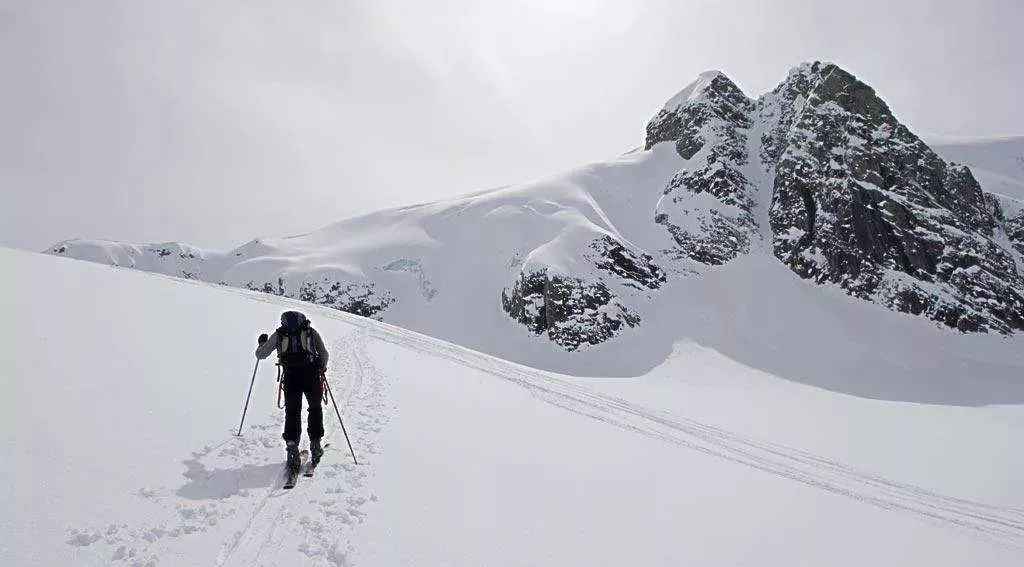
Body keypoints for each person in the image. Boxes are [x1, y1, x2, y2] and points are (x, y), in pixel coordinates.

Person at [256, 310, 329, 472]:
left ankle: (292, 449)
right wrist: (321, 366)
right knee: (315, 408)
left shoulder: (280, 334)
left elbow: (261, 355)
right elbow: (324, 354)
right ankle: (316, 445)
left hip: (290, 378)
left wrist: (261, 343)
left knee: (292, 412)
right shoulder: (310, 332)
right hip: (311, 376)